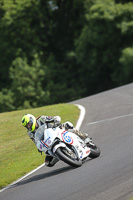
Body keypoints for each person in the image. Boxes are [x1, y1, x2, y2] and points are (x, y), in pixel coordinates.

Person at [21, 113, 90, 167]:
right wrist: (39, 147)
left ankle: (82, 135)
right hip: (48, 142)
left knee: (67, 124)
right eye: (27, 126)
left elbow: (54, 118)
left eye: (29, 124)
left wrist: (56, 121)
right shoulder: (30, 132)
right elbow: (35, 141)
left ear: (32, 119)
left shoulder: (41, 119)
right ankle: (61, 155)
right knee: (48, 163)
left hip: (55, 131)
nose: (29, 126)